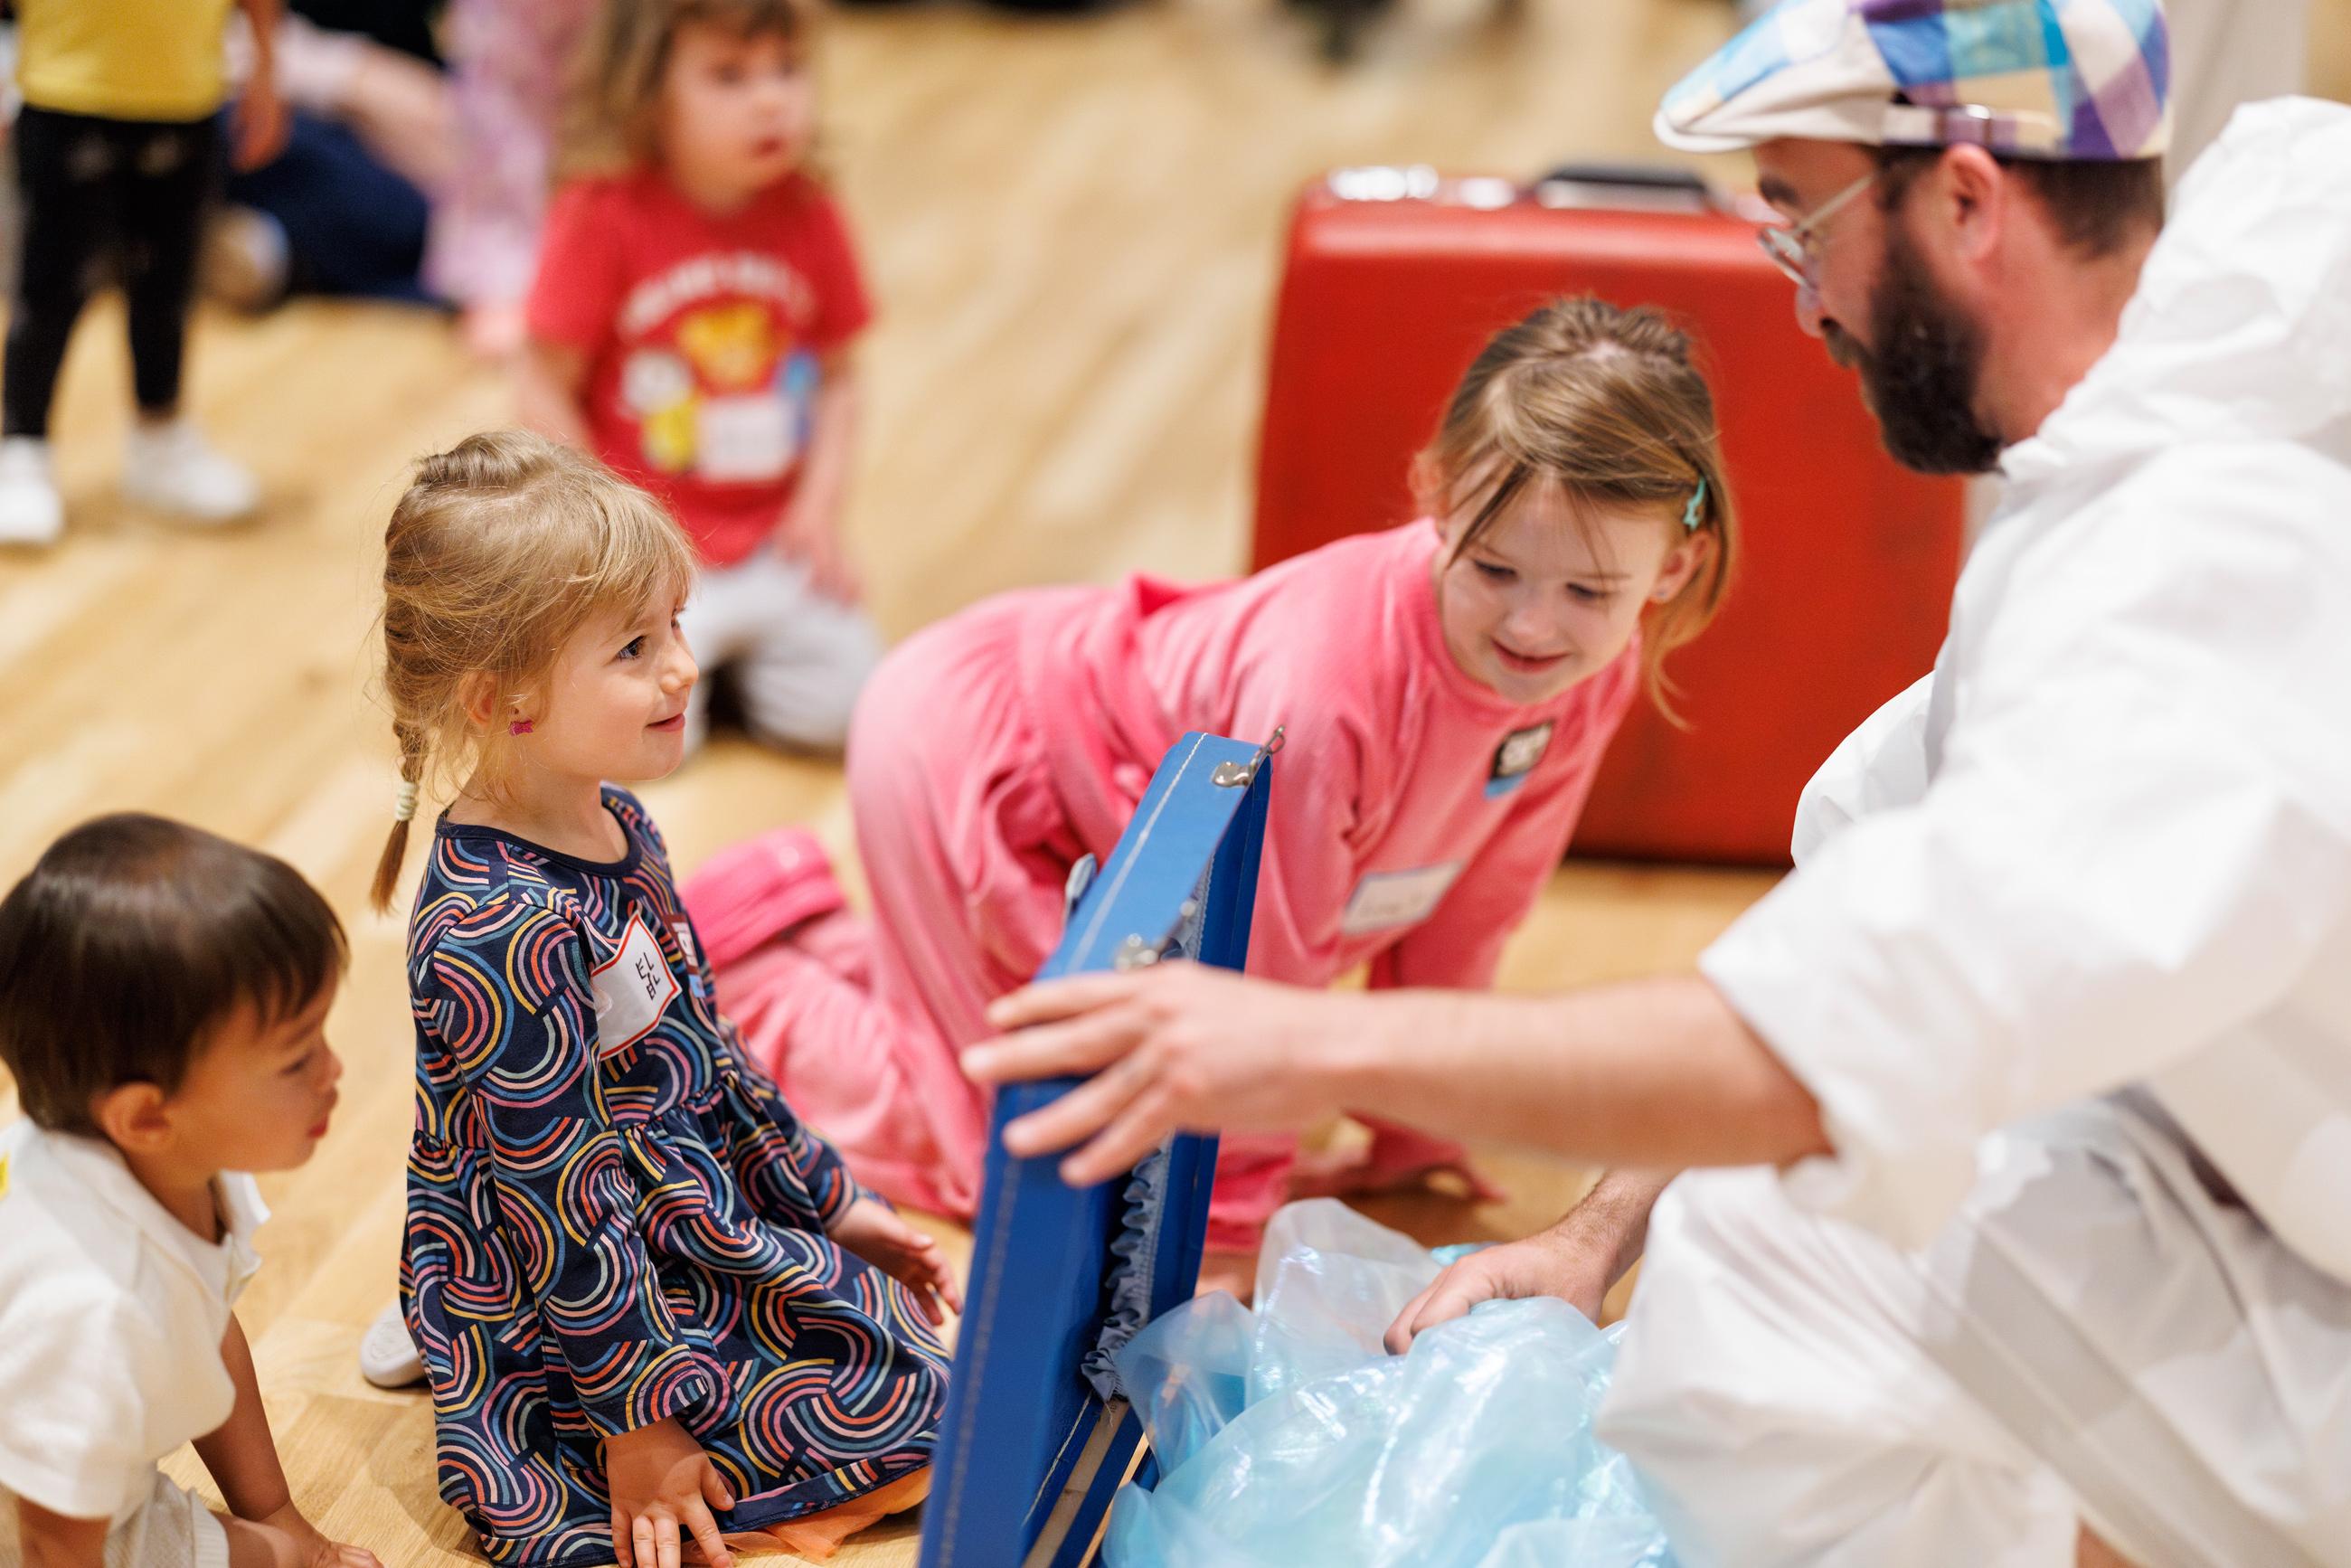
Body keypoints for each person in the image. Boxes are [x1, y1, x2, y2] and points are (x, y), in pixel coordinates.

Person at [962, 0, 2351, 1562]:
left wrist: (1300, 1041)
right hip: (2262, 1172)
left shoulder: (2173, 572)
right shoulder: (2225, 327)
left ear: (1967, 201)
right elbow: (1853, 898)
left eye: (1801, 221)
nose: (1807, 306)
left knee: (1769, 1266)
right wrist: (1592, 1231)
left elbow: (1814, 1050)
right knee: (1779, 1214)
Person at [683, 296, 1734, 1291]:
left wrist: (1415, 1130)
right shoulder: (1324, 692)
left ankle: (838, 953)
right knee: (1012, 1147)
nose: (1532, 628)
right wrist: (1225, 1231)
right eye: (1492, 570)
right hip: (980, 750)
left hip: (1109, 791)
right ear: (1433, 493)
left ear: (1673, 570)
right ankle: (750, 979)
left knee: (1078, 1086)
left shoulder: (1584, 674)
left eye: (1587, 592)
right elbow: (1260, 968)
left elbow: (1473, 900)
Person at [367, 430, 954, 1567]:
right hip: (570, 1278)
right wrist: (639, 1423)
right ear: (505, 699)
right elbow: (555, 1199)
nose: (684, 667)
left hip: (667, 1198)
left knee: (925, 1369)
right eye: (635, 647)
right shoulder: (496, 928)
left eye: (676, 625)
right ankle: (465, 1348)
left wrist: (827, 1200)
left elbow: (708, 1047)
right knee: (907, 1416)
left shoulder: (617, 821)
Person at [0, 815, 381, 1568]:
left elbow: (205, 1321)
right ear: (146, 1114)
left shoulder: (177, 1161)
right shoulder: (95, 1308)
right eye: (297, 1059)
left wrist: (279, 1516)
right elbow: (50, 1542)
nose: (334, 1071)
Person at [518, 0, 883, 757]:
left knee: (855, 713)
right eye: (728, 76)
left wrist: (818, 509)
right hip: (659, 558)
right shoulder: (601, 211)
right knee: (648, 752)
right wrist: (612, 540)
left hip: (774, 546)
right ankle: (713, 672)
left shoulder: (810, 210)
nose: (771, 99)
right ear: (649, 92)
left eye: (786, 69)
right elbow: (541, 383)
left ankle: (737, 672)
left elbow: (842, 378)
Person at [0, 0, 290, 546]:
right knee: (49, 286)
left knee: (168, 282)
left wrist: (266, 69)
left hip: (187, 89)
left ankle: (161, 436)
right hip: (65, 87)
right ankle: (23, 452)